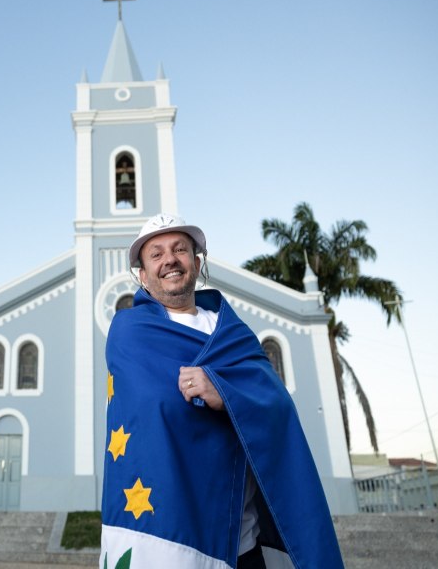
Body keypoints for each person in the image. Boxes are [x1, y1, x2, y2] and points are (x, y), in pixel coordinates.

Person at [100, 213, 344, 569]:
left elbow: (276, 403)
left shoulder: (233, 333)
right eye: (156, 254)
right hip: (171, 538)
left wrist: (225, 393)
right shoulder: (129, 332)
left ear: (196, 263)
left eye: (180, 249)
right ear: (142, 276)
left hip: (241, 540)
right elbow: (150, 405)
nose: (169, 259)